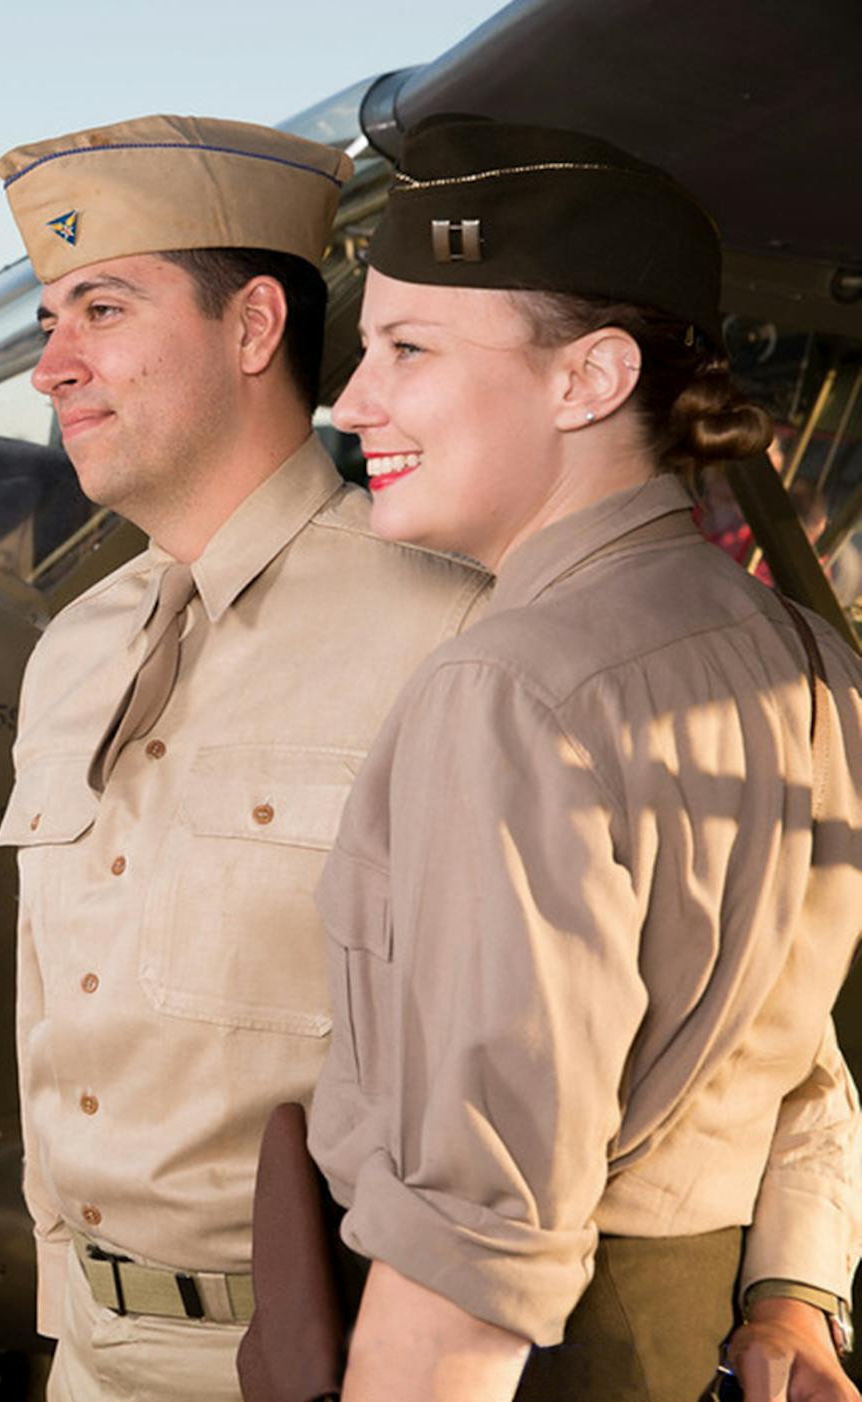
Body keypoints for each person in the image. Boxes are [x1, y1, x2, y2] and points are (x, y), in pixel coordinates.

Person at [311, 116, 862, 1401]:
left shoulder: (508, 687)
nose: (352, 400)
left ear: (589, 379)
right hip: (694, 1334)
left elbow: (471, 1244)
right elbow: (798, 1060)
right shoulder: (807, 658)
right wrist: (792, 1290)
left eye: (408, 348)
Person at [0, 114, 491, 1401]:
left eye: (101, 310)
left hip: (316, 1358)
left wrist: (794, 1287)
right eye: (48, 323)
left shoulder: (456, 631)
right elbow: (53, 1014)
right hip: (88, 1351)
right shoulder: (73, 650)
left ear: (256, 326)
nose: (50, 367)